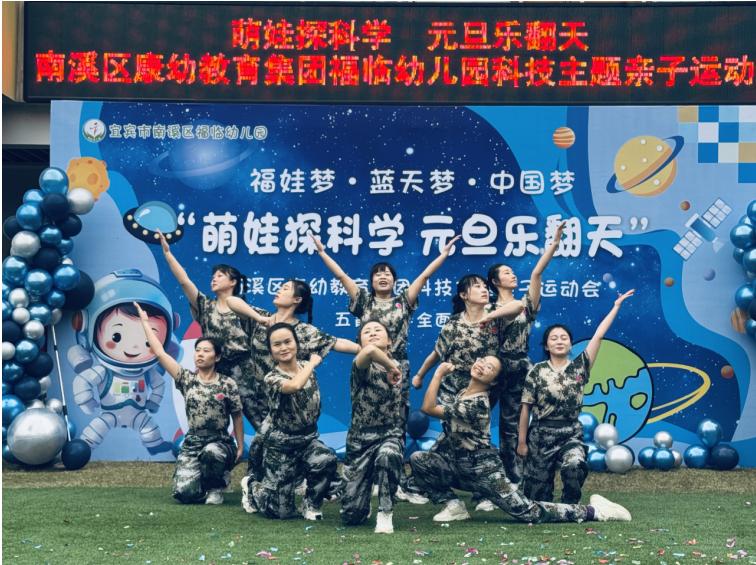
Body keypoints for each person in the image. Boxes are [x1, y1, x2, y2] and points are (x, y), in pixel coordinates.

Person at [312, 233, 460, 503]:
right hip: (367, 364)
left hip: (397, 365)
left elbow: (424, 276)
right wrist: (322, 253)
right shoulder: (364, 301)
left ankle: (394, 480)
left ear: (394, 280)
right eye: (377, 273)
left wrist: (443, 255)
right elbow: (342, 277)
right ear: (371, 281)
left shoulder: (403, 301)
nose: (382, 276)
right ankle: (358, 479)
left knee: (397, 420)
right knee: (363, 416)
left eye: (387, 273)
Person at [410, 357, 631, 524]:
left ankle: (594, 511)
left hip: (484, 471)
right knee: (420, 459)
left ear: (493, 382)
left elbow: (428, 407)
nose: (482, 365)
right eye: (482, 360)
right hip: (459, 467)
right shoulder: (462, 393)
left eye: (490, 368)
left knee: (528, 512)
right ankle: (454, 505)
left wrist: (438, 374)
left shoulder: (477, 404)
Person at [227, 279, 358, 482]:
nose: (279, 291)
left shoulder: (304, 331)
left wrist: (367, 349)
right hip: (260, 398)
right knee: (261, 448)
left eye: (285, 288)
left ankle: (309, 480)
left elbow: (336, 343)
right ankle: (259, 483)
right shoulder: (260, 318)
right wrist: (259, 318)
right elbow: (231, 301)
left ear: (297, 299)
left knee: (275, 443)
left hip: (288, 400)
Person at [518, 290, 635, 504]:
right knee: (536, 499)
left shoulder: (580, 367)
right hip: (540, 435)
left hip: (570, 433)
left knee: (574, 466)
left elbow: (598, 335)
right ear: (546, 345)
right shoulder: (537, 371)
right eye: (554, 338)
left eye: (564, 338)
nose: (559, 341)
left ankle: (571, 505)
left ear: (571, 344)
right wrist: (522, 442)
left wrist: (616, 306)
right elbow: (525, 408)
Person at [134, 302, 243, 505]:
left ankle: (217, 486)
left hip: (219, 442)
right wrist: (145, 322)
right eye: (197, 350)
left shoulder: (227, 384)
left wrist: (240, 446)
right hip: (193, 442)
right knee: (184, 494)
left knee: (212, 452)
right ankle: (203, 479)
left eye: (206, 351)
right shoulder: (186, 379)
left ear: (217, 357)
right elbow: (160, 352)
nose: (200, 354)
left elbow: (237, 415)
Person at [486, 221, 566, 490]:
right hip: (492, 368)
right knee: (478, 421)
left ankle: (512, 479)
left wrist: (554, 244)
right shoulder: (486, 308)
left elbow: (536, 273)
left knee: (511, 425)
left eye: (512, 272)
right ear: (495, 282)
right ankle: (483, 479)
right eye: (506, 273)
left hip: (519, 367)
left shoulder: (525, 305)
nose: (512, 275)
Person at [157, 232, 261, 437]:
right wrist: (168, 254)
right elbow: (185, 281)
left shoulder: (246, 311)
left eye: (220, 275)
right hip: (216, 369)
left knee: (259, 418)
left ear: (233, 282)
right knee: (212, 417)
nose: (214, 278)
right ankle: (218, 451)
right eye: (213, 275)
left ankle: (274, 454)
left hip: (245, 370)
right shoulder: (205, 306)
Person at [240, 323, 337, 520]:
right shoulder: (272, 378)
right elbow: (294, 386)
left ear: (296, 343)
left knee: (326, 459)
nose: (283, 348)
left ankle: (311, 504)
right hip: (282, 445)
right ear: (270, 350)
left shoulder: (306, 368)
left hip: (308, 440)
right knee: (279, 511)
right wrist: (311, 363)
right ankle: (252, 487)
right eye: (277, 345)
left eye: (287, 342)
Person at [340, 321, 404, 534]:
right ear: (360, 342)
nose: (373, 333)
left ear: (390, 341)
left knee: (388, 455)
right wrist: (391, 367)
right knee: (352, 516)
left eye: (378, 330)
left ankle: (385, 512)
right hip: (360, 440)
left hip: (389, 434)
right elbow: (369, 352)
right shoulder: (361, 363)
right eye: (366, 331)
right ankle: (362, 496)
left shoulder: (398, 366)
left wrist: (392, 366)